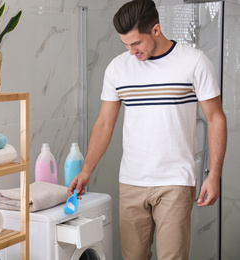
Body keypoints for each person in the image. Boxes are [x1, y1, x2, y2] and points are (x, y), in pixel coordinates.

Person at [67, 0, 227, 259]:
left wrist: (214, 174)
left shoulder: (194, 62)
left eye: (136, 43)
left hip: (175, 182)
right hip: (131, 181)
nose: (131, 52)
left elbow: (215, 119)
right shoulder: (117, 68)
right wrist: (86, 170)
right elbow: (104, 123)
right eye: (125, 45)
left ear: (156, 30)